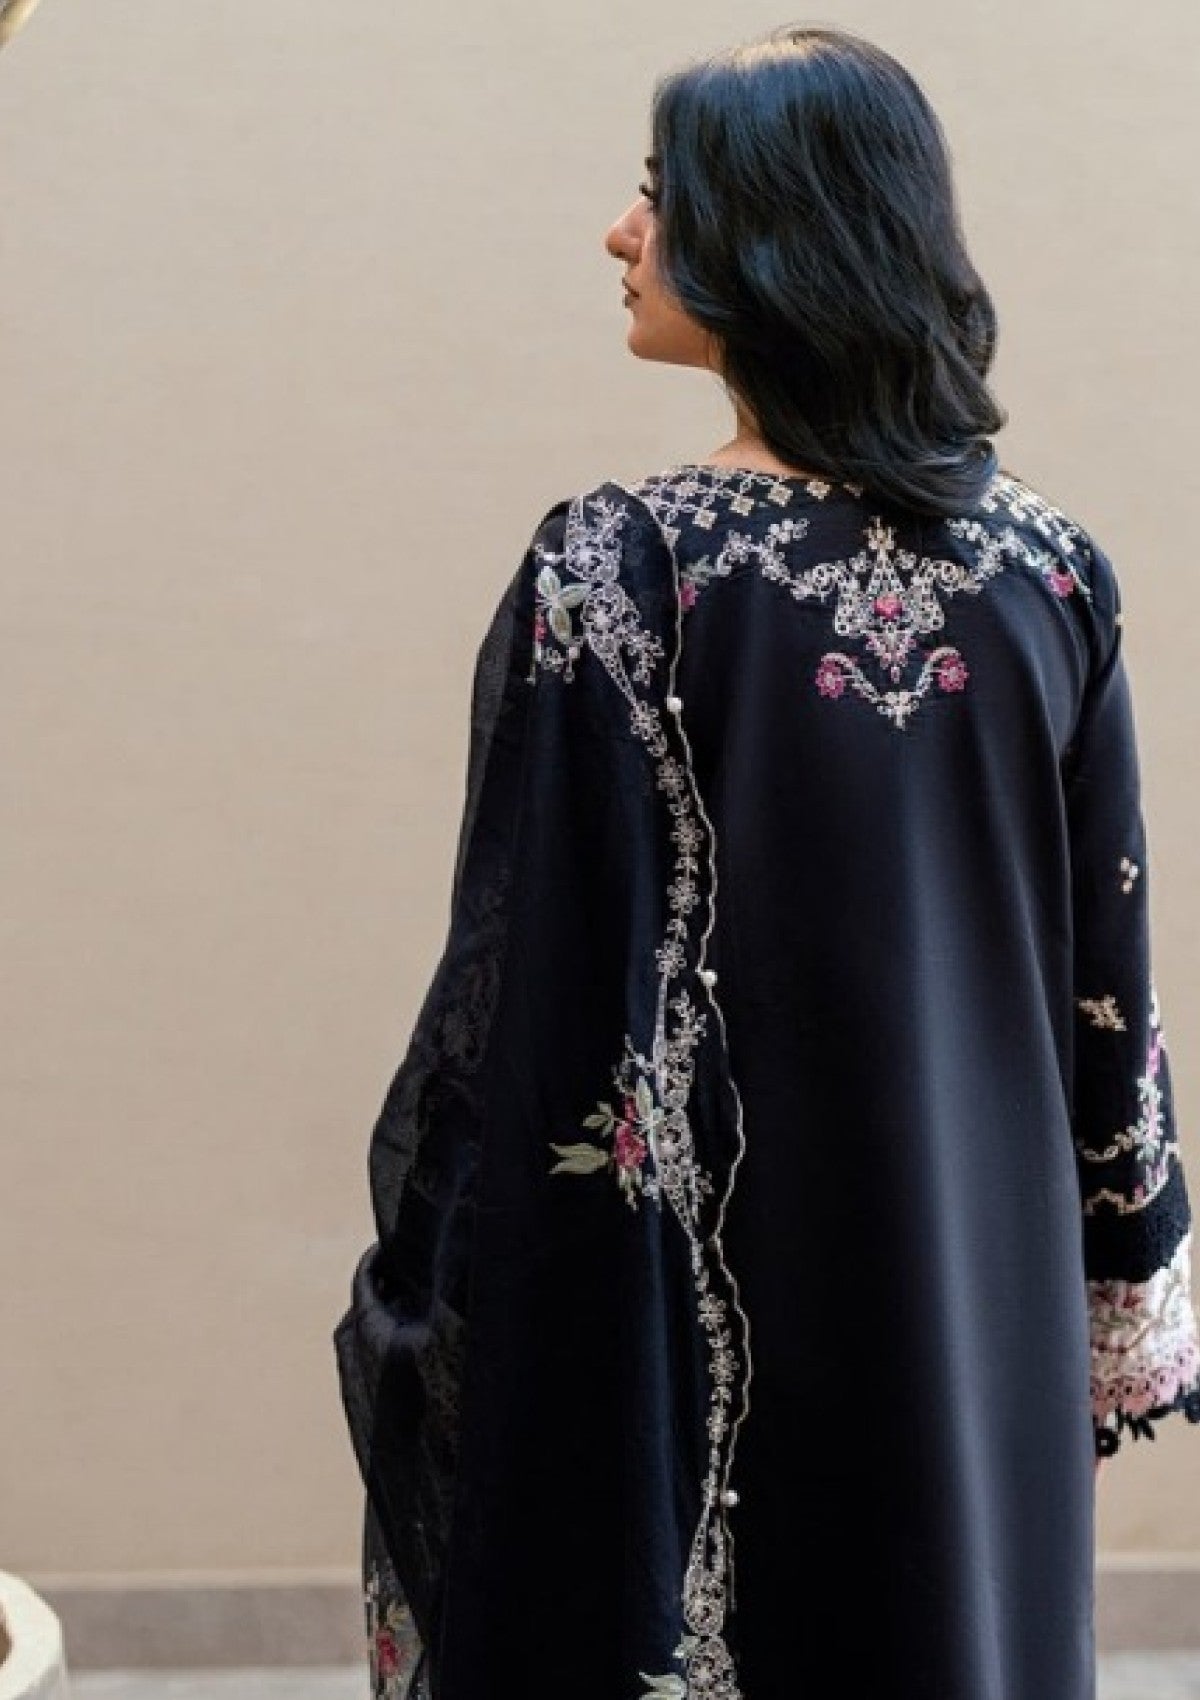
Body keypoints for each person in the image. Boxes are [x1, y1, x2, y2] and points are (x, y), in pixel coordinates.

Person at [332, 23, 1200, 1700]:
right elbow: (1113, 991)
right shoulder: (1054, 577)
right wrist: (1122, 1253)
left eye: (660, 196)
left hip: (695, 1308)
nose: (621, 232)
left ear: (774, 231)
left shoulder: (622, 569)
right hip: (982, 1300)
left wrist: (438, 1282)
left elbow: (519, 998)